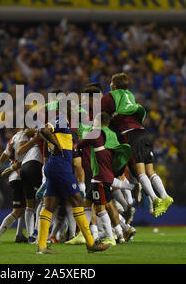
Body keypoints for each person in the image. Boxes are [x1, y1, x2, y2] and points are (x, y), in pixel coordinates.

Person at [36, 100, 111, 254]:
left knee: (49, 205)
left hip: (55, 165)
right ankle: (91, 243)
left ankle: (42, 246)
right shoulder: (61, 119)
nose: (77, 111)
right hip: (60, 166)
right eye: (74, 108)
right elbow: (43, 130)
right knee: (77, 200)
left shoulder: (66, 123)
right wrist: (57, 145)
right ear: (67, 109)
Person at [101, 72, 173, 217]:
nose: (109, 85)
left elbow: (98, 112)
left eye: (111, 83)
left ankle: (154, 199)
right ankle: (165, 196)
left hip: (130, 134)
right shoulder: (130, 95)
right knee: (150, 171)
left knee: (140, 173)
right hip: (143, 132)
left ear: (114, 85)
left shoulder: (110, 96)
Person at [76, 111, 137, 245]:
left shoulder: (95, 133)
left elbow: (79, 145)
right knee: (89, 204)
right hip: (107, 173)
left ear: (97, 122)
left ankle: (110, 236)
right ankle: (85, 234)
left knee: (101, 208)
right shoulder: (112, 134)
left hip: (99, 177)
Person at [0, 132, 28, 244]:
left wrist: (12, 162)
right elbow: (21, 152)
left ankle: (19, 235)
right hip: (19, 175)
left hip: (14, 176)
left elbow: (2, 158)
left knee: (24, 207)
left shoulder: (13, 138)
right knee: (18, 210)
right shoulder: (23, 136)